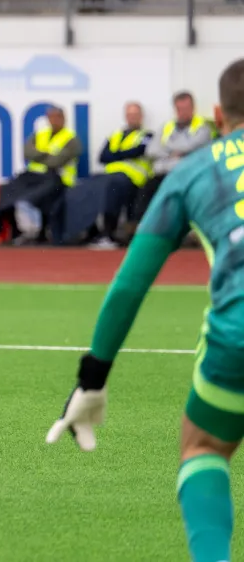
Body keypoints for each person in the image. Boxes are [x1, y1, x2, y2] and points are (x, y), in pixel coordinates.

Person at [45, 58, 244, 562]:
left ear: (218, 116)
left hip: (236, 337)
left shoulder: (195, 171)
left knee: (203, 450)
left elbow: (129, 285)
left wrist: (92, 377)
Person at [52, 101, 152, 248]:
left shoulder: (147, 135)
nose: (132, 118)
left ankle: (108, 233)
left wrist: (116, 154)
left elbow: (139, 151)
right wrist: (124, 154)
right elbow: (103, 156)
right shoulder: (116, 135)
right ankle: (87, 231)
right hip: (110, 175)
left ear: (141, 116)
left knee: (112, 189)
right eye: (129, 114)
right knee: (82, 187)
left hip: (133, 178)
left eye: (135, 114)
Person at [0, 105, 82, 243]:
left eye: (57, 117)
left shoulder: (71, 139)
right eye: (51, 117)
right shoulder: (40, 134)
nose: (54, 121)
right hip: (32, 176)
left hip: (57, 178)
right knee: (7, 190)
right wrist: (46, 154)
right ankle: (6, 229)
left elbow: (57, 161)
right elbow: (27, 152)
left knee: (34, 197)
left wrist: (39, 156)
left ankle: (36, 232)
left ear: (63, 118)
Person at [132, 91, 214, 224]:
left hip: (186, 174)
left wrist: (168, 149)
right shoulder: (166, 127)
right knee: (146, 190)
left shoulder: (202, 127)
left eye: (185, 108)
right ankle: (138, 227)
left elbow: (191, 146)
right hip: (162, 173)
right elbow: (151, 150)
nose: (182, 112)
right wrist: (174, 153)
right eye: (179, 109)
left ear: (193, 108)